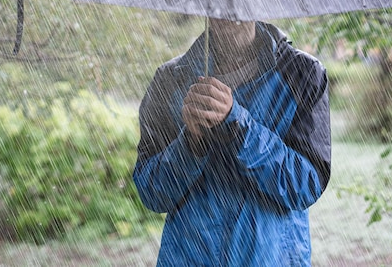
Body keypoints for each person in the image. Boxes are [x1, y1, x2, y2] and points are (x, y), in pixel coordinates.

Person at [133, 18, 331, 266]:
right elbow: (151, 192)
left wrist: (238, 126)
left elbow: (305, 185)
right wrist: (191, 145)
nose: (229, 7)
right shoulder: (170, 79)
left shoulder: (302, 74)